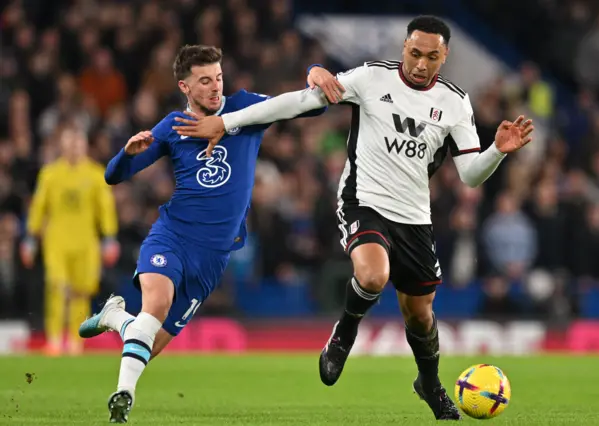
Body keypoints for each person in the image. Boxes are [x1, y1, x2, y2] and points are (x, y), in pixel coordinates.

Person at [173, 16, 534, 421]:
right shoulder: (370, 79)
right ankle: (344, 334)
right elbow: (297, 101)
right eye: (414, 53)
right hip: (364, 200)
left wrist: (498, 151)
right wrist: (226, 121)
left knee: (419, 313)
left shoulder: (455, 102)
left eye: (431, 57)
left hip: (414, 217)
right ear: (403, 47)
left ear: (444, 56)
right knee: (373, 275)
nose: (420, 64)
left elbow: (469, 176)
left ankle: (429, 384)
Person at [76, 44, 340, 423]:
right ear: (184, 86)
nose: (215, 87)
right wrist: (128, 153)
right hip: (173, 235)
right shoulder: (172, 127)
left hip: (213, 257)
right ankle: (123, 396)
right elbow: (113, 176)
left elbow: (311, 105)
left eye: (218, 77)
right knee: (156, 305)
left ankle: (115, 317)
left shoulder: (245, 108)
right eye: (204, 81)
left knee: (148, 344)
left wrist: (315, 69)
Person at [21, 126, 120, 356]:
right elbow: (38, 207)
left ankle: (76, 342)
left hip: (86, 242)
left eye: (78, 143)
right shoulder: (50, 174)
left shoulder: (95, 174)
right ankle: (54, 341)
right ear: (62, 146)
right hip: (56, 241)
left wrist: (109, 238)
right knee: (57, 288)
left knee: (81, 292)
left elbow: (105, 209)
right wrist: (30, 238)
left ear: (84, 146)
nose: (74, 148)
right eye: (69, 143)